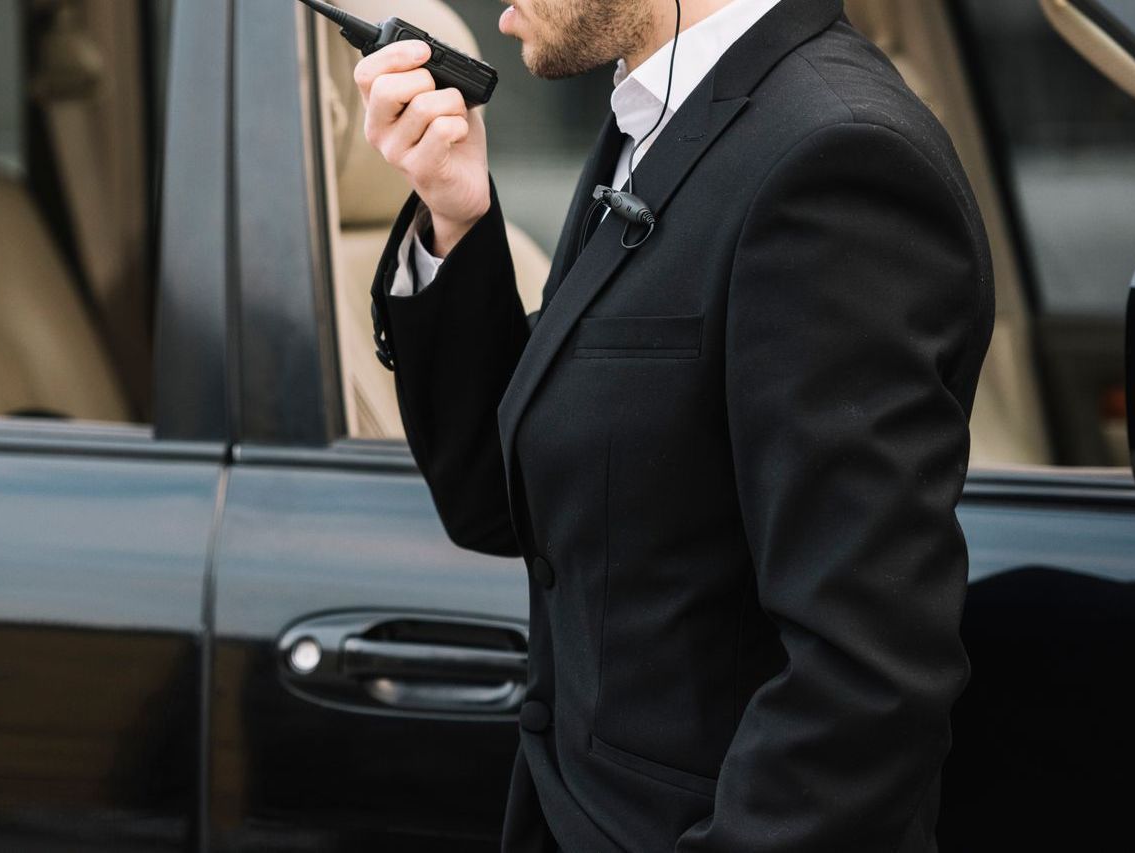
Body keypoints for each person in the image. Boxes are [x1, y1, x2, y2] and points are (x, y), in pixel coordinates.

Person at [356, 0, 993, 850]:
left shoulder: (835, 156)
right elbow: (500, 502)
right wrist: (457, 215)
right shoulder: (653, 122)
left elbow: (866, 680)